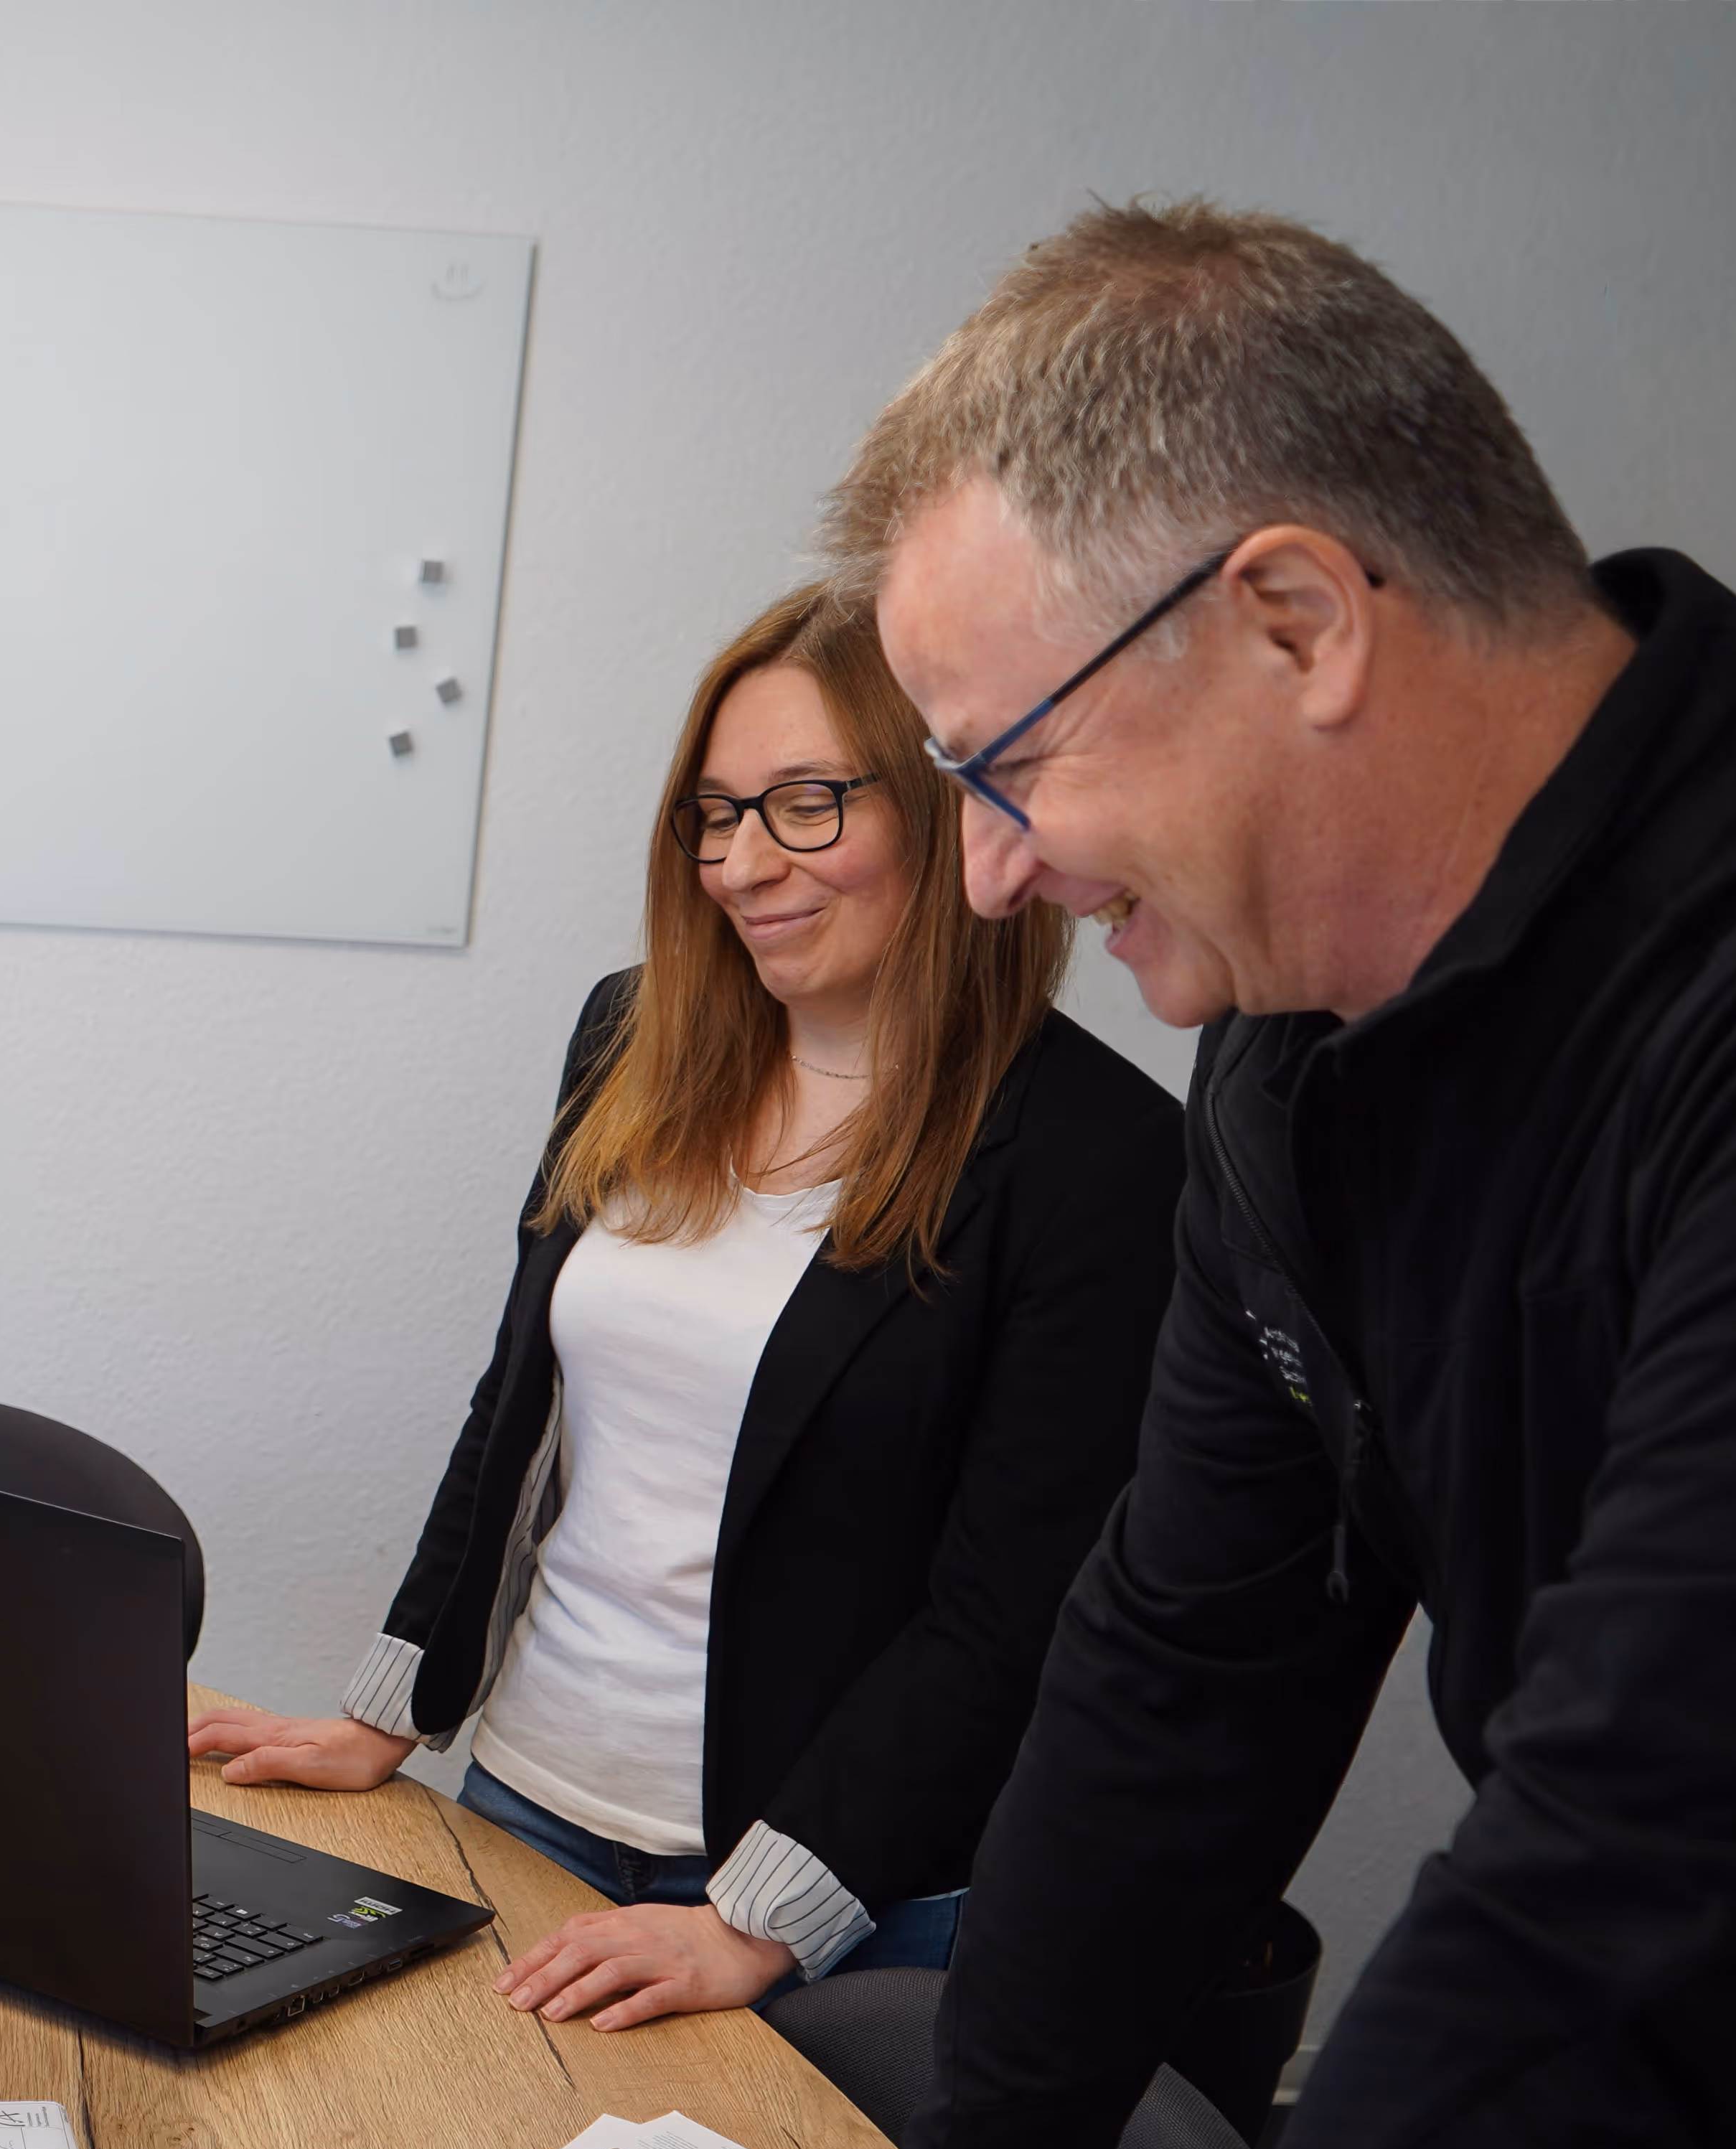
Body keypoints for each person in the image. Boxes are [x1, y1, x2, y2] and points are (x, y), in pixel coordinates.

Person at [491, 202, 1736, 2149]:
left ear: (1296, 616)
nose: (989, 879)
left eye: (1005, 764)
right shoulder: (1299, 1075)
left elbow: (1629, 1866)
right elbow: (1175, 1681)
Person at [189, 583, 1180, 2023]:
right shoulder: (630, 1035)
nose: (740, 862)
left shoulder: (1100, 1159)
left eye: (804, 804)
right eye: (714, 815)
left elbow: (1007, 1613)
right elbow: (515, 1409)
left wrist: (757, 1922)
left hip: (831, 1899)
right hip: (526, 1801)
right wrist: (390, 1707)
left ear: (947, 804)